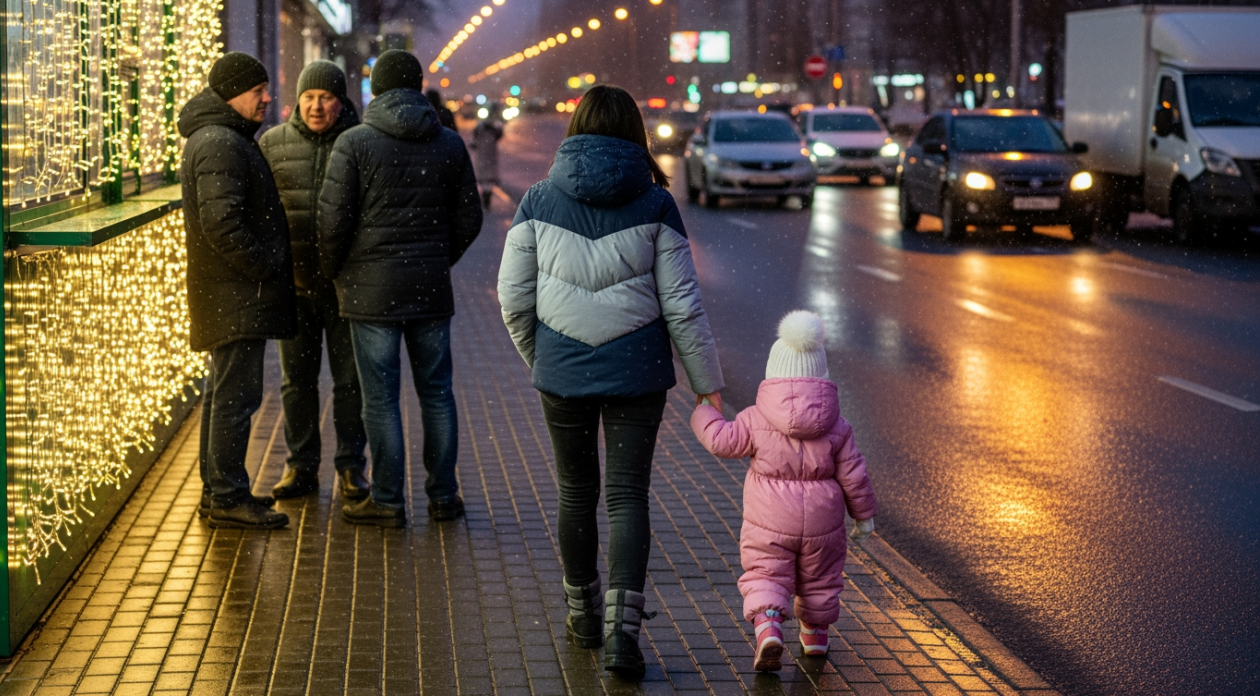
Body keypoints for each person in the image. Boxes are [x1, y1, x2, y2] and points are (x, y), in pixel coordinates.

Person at [496, 84, 724, 679]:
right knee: (627, 497)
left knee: (576, 493)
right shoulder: (655, 205)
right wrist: (706, 382)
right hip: (638, 373)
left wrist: (540, 356)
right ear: (636, 133)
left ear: (575, 127)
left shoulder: (538, 201)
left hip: (562, 371)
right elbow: (682, 305)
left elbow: (512, 298)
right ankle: (624, 639)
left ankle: (582, 616)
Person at [317, 50, 483, 529]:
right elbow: (469, 217)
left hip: (370, 294)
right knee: (437, 393)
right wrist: (436, 258)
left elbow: (332, 223)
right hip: (430, 290)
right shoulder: (449, 144)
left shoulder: (354, 143)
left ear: (377, 88)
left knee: (381, 399)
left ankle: (387, 499)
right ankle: (443, 496)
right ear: (417, 84)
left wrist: (339, 272)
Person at [690, 311, 877, 672]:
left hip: (770, 519)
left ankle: (769, 626)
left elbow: (721, 440)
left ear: (773, 372)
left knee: (766, 574)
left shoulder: (755, 418)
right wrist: (864, 515)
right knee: (820, 578)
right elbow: (855, 473)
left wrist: (703, 412)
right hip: (824, 522)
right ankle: (815, 636)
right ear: (821, 375)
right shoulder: (837, 425)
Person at [178, 52, 297, 529]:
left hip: (228, 293)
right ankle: (227, 496)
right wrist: (265, 266)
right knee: (236, 397)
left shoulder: (220, 138)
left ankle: (219, 491)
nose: (267, 98)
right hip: (234, 294)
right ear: (231, 94)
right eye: (257, 91)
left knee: (225, 393)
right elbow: (222, 224)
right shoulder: (221, 143)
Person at [259, 60, 370, 502]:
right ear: (297, 100)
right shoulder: (272, 144)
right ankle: (301, 465)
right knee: (296, 381)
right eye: (309, 97)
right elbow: (262, 212)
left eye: (326, 97)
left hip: (346, 288)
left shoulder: (360, 143)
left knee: (350, 382)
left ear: (341, 101)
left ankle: (350, 467)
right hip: (296, 286)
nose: (316, 106)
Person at [470, 109, 504, 209]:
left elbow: (473, 143)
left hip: (484, 157)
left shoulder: (481, 130)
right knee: (488, 180)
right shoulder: (492, 130)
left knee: (485, 179)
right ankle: (487, 201)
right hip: (489, 157)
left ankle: (486, 200)